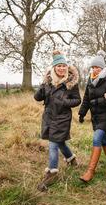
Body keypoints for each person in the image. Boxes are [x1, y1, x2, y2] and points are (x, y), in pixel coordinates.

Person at [34, 50, 81, 192]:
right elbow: (37, 98)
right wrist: (42, 86)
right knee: (59, 142)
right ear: (54, 67)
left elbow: (77, 100)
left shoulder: (70, 83)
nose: (61, 68)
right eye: (59, 66)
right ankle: (72, 160)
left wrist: (65, 102)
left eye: (64, 66)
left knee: (53, 144)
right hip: (49, 117)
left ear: (67, 67)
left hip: (62, 118)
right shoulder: (48, 82)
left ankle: (52, 172)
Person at [78, 50, 106, 183]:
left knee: (97, 138)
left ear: (103, 68)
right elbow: (87, 98)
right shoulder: (90, 79)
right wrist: (82, 113)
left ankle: (90, 171)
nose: (95, 70)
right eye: (93, 67)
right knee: (103, 139)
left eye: (97, 67)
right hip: (95, 115)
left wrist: (98, 101)